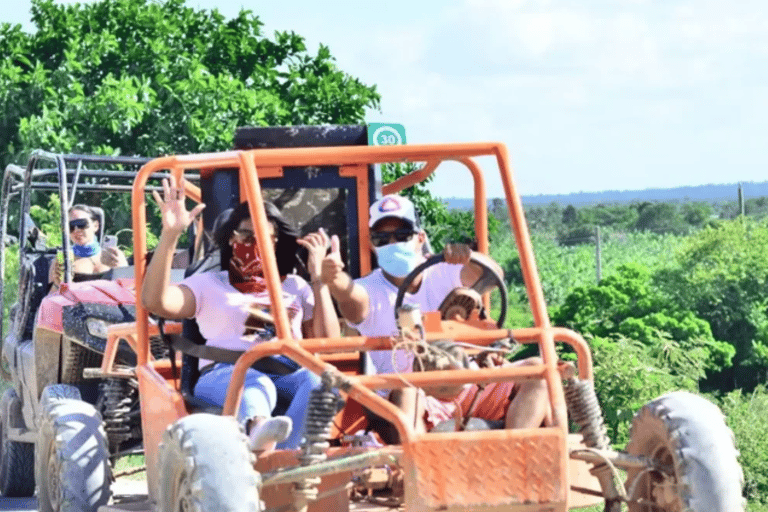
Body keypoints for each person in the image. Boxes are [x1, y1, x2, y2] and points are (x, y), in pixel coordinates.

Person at [320, 194, 550, 438]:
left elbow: (493, 275)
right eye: (382, 238)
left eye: (402, 235)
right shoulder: (369, 290)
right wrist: (334, 279)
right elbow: (349, 295)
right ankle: (423, 465)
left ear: (420, 238)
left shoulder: (445, 271)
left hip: (468, 383)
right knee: (408, 391)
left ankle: (513, 452)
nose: (392, 243)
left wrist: (470, 257)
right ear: (372, 245)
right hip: (414, 391)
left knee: (538, 371)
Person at [142, 176, 339, 451]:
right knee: (256, 382)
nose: (255, 246)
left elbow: (328, 342)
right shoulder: (209, 284)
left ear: (276, 243)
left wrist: (319, 281)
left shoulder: (295, 286)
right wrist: (170, 235)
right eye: (247, 236)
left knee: (323, 382)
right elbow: (155, 301)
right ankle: (257, 428)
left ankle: (286, 459)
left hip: (286, 371)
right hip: (226, 372)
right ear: (232, 239)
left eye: (264, 239)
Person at [49, 204, 128, 286]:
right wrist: (58, 284)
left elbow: (129, 291)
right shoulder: (63, 260)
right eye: (71, 226)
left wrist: (121, 271)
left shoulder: (115, 256)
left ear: (96, 225)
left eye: (81, 224)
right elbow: (50, 297)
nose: (76, 230)